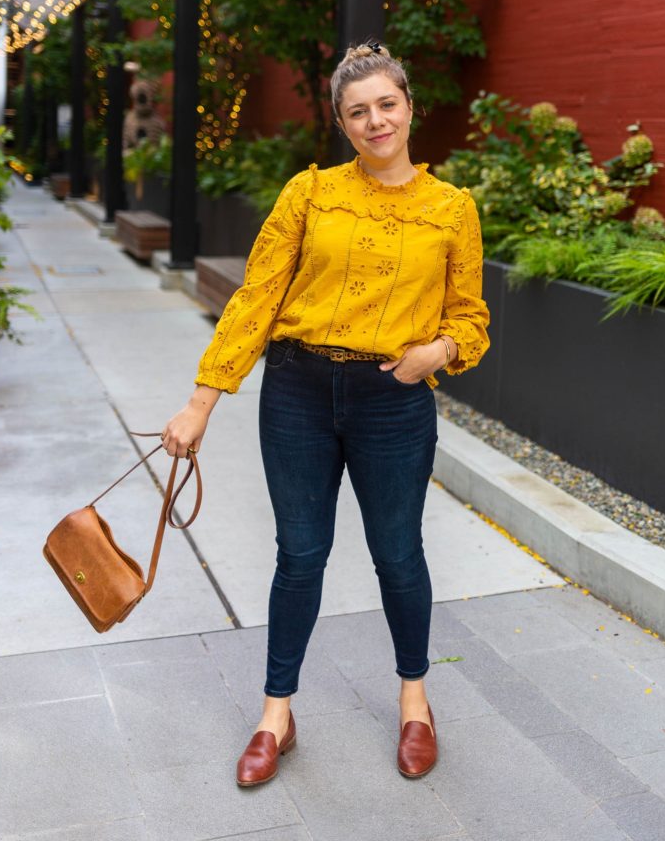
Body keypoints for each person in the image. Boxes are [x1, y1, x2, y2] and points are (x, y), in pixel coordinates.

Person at [161, 42, 490, 786]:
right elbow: (257, 298)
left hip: (393, 400)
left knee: (397, 553)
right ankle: (276, 713)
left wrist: (435, 352)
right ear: (343, 123)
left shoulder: (452, 210)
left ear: (409, 106)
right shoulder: (308, 194)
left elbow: (470, 317)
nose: (376, 121)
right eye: (358, 111)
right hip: (298, 392)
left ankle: (415, 701)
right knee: (300, 555)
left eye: (387, 105)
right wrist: (201, 401)